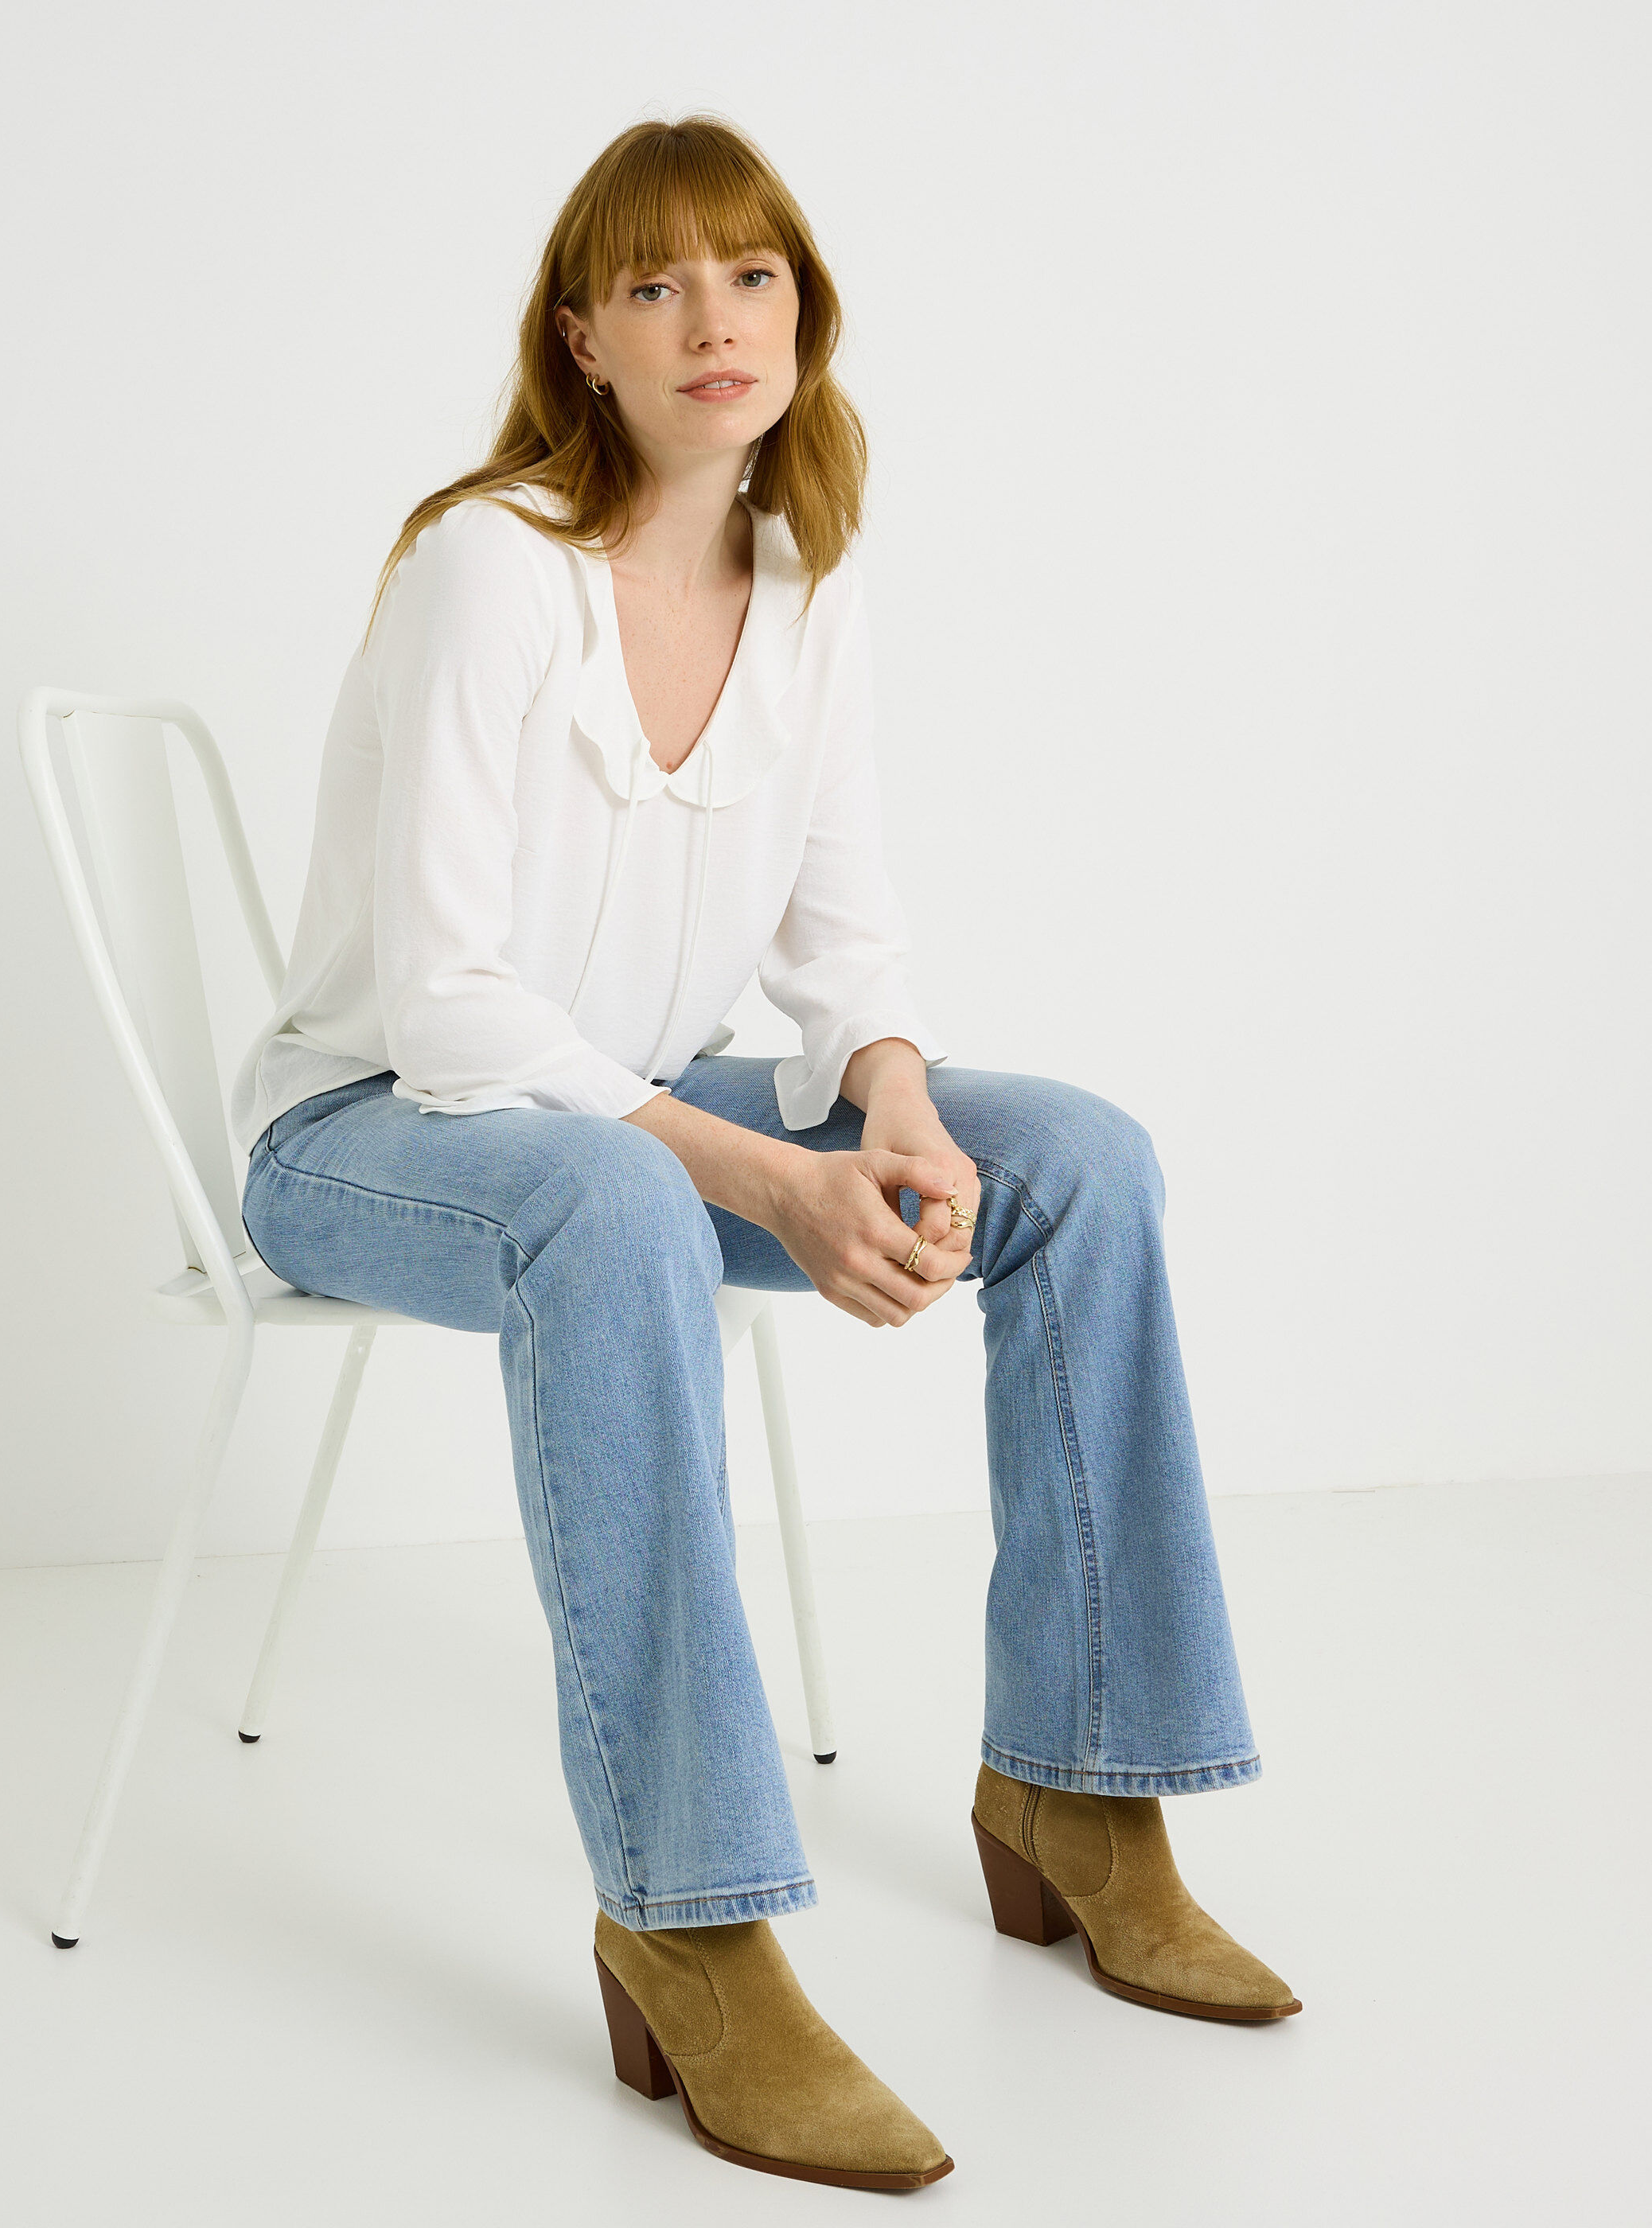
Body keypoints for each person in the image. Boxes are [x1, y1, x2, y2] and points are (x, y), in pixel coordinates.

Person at [227, 112, 1297, 2195]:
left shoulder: (804, 577)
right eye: (655, 284)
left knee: (1078, 1158)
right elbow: (445, 1006)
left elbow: (843, 939)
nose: (711, 317)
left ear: (804, 314)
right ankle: (691, 1919)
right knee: (624, 1193)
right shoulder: (491, 567)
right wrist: (773, 1182)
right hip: (369, 1128)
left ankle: (1084, 1793)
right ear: (584, 340)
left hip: (630, 1103)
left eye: (752, 275)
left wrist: (883, 1099)